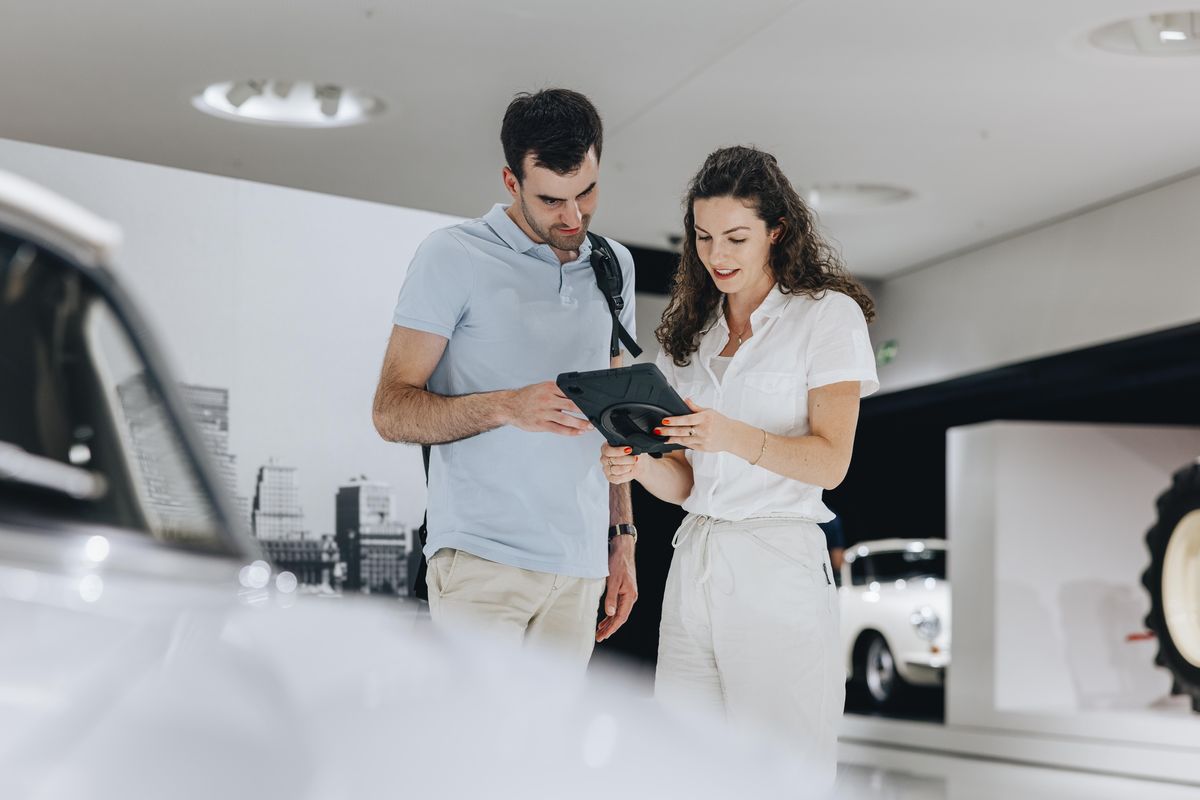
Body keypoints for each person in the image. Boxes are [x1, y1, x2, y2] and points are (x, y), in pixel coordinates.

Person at [600, 146, 878, 788]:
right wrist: (635, 465)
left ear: (776, 231)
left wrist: (732, 435)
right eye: (702, 237)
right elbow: (689, 482)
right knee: (683, 768)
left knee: (781, 773)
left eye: (735, 237)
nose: (716, 254)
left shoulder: (825, 317)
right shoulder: (691, 340)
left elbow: (831, 462)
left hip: (777, 558)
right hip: (695, 558)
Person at [372, 89, 638, 668]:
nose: (573, 217)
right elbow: (391, 411)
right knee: (474, 755)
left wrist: (622, 539)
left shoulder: (614, 264)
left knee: (549, 760)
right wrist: (506, 406)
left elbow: (612, 419)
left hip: (580, 567)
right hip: (480, 559)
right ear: (511, 183)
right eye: (551, 200)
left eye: (586, 193)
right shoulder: (453, 257)